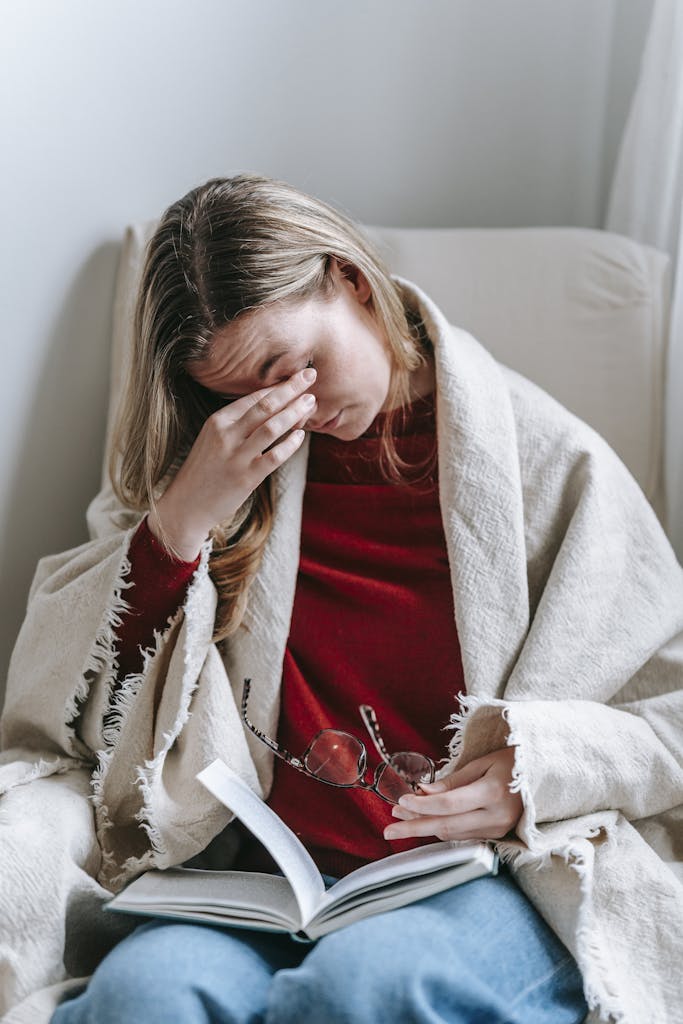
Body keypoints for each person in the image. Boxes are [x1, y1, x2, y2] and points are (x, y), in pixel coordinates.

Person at [1, 174, 682, 1024]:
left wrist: (533, 773)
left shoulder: (552, 467)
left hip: (481, 875)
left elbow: (668, 715)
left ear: (350, 282)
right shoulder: (215, 464)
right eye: (244, 395)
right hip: (260, 881)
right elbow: (71, 713)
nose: (296, 410)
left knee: (365, 989)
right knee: (146, 995)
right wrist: (181, 521)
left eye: (298, 368)